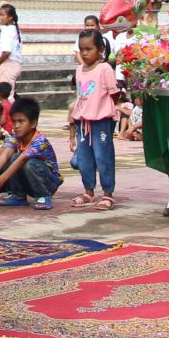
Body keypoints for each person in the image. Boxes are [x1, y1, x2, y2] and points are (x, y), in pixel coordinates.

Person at [69, 29, 124, 209]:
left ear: (100, 49)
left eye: (89, 49)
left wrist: (103, 109)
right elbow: (80, 96)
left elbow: (113, 93)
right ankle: (89, 191)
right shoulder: (79, 70)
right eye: (82, 49)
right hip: (83, 121)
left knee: (103, 156)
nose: (84, 53)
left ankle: (108, 193)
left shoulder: (104, 68)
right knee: (85, 158)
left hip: (100, 121)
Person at [0, 96, 60, 208]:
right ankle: (18, 196)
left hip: (49, 182)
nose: (16, 126)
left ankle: (43, 197)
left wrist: (2, 178)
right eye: (14, 121)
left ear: (33, 123)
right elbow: (4, 156)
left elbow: (22, 159)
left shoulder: (39, 141)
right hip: (30, 179)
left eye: (21, 121)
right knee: (12, 157)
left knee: (28, 162)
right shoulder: (15, 137)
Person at [0, 3, 22, 98]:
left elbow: (7, 52)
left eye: (3, 15)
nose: (0, 18)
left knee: (4, 97)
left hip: (8, 65)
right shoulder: (14, 29)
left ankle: (7, 112)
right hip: (14, 65)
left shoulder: (7, 31)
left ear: (10, 17)